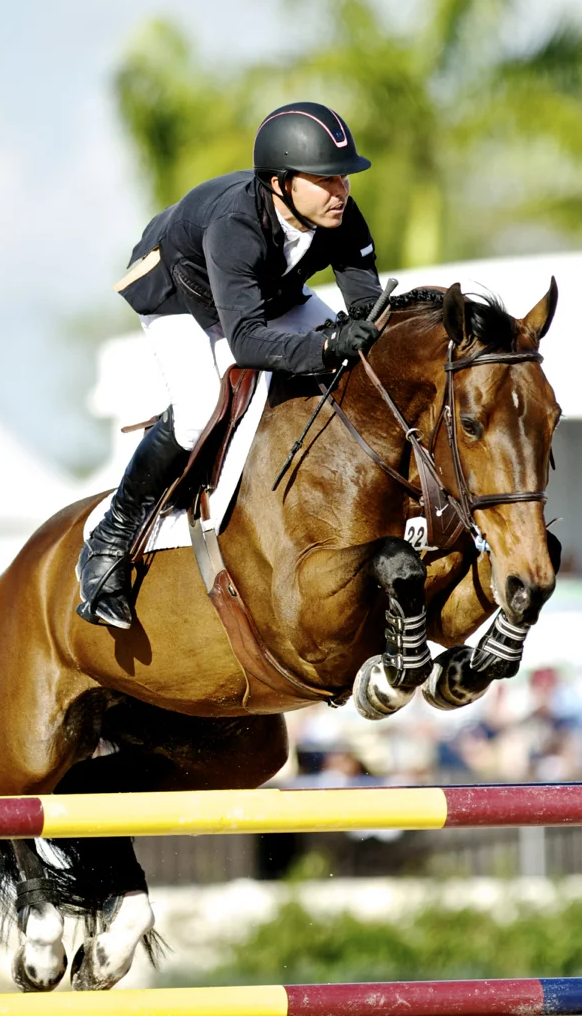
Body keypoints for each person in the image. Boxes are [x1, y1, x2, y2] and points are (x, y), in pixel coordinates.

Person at [77, 101, 384, 629]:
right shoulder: (236, 225)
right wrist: (327, 346)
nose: (341, 192)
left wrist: (363, 333)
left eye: (344, 180)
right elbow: (244, 342)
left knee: (361, 362)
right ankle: (111, 537)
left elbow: (367, 308)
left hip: (265, 291)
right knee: (200, 407)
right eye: (327, 180)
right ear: (281, 182)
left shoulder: (338, 215)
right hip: (179, 289)